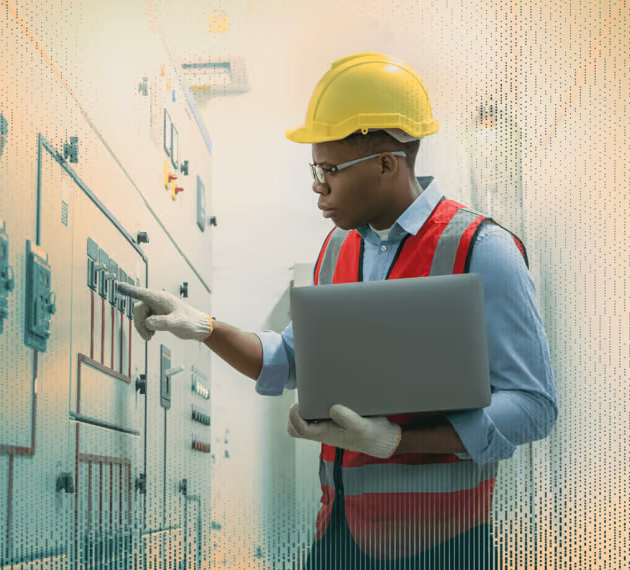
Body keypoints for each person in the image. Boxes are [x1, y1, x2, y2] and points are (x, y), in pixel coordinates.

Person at [118, 52, 557, 569]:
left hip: (442, 546)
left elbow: (532, 406)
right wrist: (204, 327)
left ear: (387, 163)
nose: (317, 185)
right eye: (315, 168)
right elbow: (293, 359)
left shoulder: (484, 249)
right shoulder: (336, 249)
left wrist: (396, 441)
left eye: (329, 169)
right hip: (340, 536)